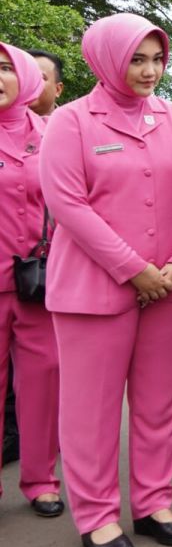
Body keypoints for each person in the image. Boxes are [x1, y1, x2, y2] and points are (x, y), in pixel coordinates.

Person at [41, 13, 172, 547]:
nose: (151, 70)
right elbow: (68, 204)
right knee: (91, 409)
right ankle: (97, 515)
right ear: (107, 58)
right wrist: (135, 268)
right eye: (138, 58)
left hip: (171, 287)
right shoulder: (71, 120)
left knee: (160, 403)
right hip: (95, 289)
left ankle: (155, 501)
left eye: (158, 59)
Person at [0, 42, 63, 519]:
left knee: (43, 385)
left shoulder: (52, 131)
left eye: (4, 68)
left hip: (40, 281)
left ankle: (41, 479)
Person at [25, 49, 64, 118]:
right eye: (25, 77)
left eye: (39, 77)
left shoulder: (73, 124)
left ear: (58, 90)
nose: (29, 83)